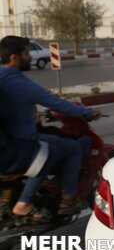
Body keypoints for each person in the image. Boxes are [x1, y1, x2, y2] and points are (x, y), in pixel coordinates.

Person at [0, 36, 102, 223]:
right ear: (14, 58)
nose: (30, 57)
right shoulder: (21, 83)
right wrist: (86, 113)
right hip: (20, 144)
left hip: (8, 141)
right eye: (26, 53)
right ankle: (65, 200)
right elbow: (57, 104)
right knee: (72, 148)